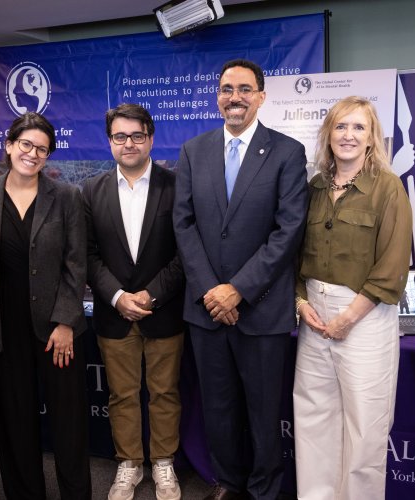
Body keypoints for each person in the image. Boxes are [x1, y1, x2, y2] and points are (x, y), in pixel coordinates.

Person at [173, 59, 308, 500]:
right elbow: (184, 224)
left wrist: (239, 289)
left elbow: (288, 231)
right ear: (217, 97)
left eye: (245, 89)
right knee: (218, 408)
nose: (235, 97)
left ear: (262, 96)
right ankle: (227, 483)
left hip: (262, 308)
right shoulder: (194, 150)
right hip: (206, 308)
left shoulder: (287, 152)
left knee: (264, 411)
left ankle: (265, 490)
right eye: (227, 88)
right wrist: (213, 289)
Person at [0, 112, 91, 499]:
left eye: (42, 148)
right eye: (26, 144)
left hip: (57, 329)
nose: (33, 154)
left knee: (68, 423)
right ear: (8, 145)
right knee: (15, 420)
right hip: (6, 326)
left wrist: (66, 321)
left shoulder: (67, 197)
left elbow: (76, 263)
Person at [294, 96, 412, 500]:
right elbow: (295, 257)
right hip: (313, 314)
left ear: (371, 136)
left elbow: (392, 267)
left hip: (363, 316)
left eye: (358, 128)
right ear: (328, 135)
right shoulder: (313, 187)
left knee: (365, 425)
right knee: (313, 418)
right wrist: (300, 303)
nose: (348, 135)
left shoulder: (388, 187)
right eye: (341, 127)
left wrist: (347, 317)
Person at [84, 103, 185, 500]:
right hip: (114, 315)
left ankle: (163, 463)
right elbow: (88, 254)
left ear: (151, 139)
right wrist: (117, 296)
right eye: (120, 136)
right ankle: (129, 464)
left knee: (165, 393)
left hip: (164, 311)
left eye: (137, 135)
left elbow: (185, 252)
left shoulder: (176, 186)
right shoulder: (91, 190)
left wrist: (152, 294)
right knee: (122, 394)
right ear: (109, 142)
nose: (129, 143)